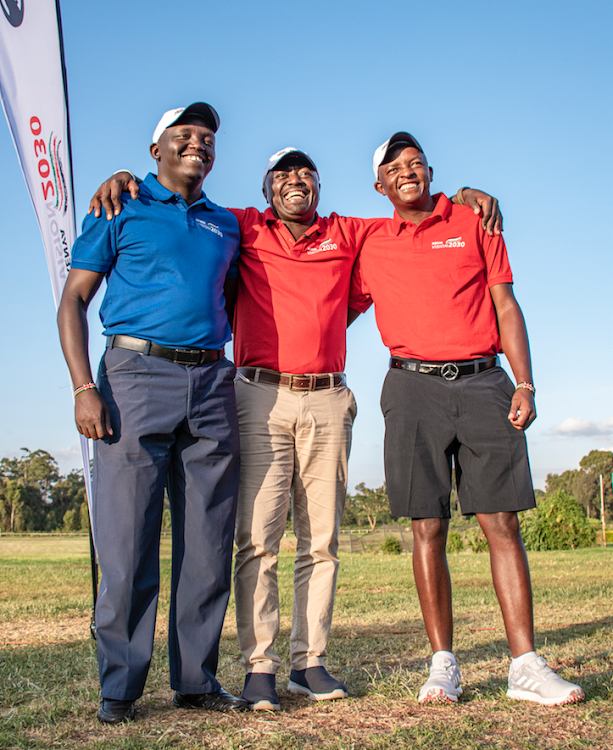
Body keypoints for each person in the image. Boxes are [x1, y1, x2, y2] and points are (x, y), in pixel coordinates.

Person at [88, 151, 501, 711]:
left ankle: (311, 662)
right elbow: (180, 196)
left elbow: (412, 211)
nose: (295, 181)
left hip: (328, 398)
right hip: (258, 395)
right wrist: (127, 178)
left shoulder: (348, 233)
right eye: (282, 175)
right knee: (257, 539)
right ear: (266, 190)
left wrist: (469, 194)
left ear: (320, 185)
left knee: (322, 539)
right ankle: (259, 667)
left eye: (305, 173)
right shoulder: (241, 224)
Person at [353, 131, 585, 706]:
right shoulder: (369, 241)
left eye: (417, 162)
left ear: (430, 171)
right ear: (378, 184)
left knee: (501, 522)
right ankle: (443, 665)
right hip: (409, 387)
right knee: (425, 526)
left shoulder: (473, 220)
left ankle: (525, 664)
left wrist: (525, 382)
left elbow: (506, 303)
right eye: (395, 166)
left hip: (484, 382)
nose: (408, 171)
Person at [57, 103, 247, 723]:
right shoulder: (120, 207)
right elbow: (73, 301)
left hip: (213, 379)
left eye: (207, 138)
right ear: (156, 150)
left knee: (209, 540)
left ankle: (195, 680)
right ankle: (120, 687)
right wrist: (84, 386)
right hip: (134, 376)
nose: (199, 144)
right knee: (128, 537)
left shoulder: (227, 223)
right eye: (184, 135)